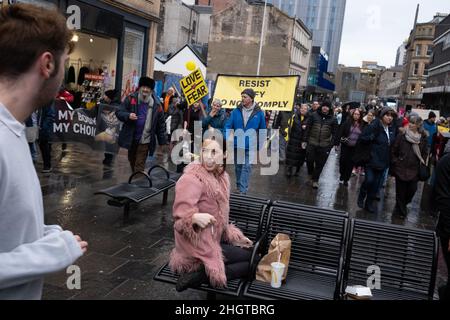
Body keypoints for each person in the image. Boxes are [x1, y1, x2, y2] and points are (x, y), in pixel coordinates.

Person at [0, 3, 87, 299]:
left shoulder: (15, 129)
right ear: (47, 64)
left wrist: (48, 235)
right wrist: (54, 251)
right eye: (64, 64)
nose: (63, 76)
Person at [169, 139, 254, 291]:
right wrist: (193, 218)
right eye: (205, 151)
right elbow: (179, 222)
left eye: (214, 152)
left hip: (211, 240)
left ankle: (202, 274)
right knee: (253, 261)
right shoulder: (191, 179)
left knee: (252, 257)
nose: (208, 156)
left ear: (224, 155)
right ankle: (202, 274)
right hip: (195, 247)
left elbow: (220, 217)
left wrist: (235, 236)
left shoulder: (222, 178)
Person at [116, 76, 167, 172]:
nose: (145, 89)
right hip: (132, 138)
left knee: (139, 165)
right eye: (143, 87)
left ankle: (137, 184)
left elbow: (161, 125)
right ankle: (135, 179)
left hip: (145, 140)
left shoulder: (157, 105)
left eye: (148, 88)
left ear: (151, 90)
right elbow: (119, 112)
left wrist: (162, 142)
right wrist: (128, 115)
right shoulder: (131, 99)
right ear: (139, 87)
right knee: (132, 160)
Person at [225, 88, 266, 194]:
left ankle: (243, 190)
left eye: (245, 97)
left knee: (247, 167)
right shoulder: (235, 111)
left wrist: (261, 147)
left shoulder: (259, 113)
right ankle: (239, 186)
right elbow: (228, 126)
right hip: (237, 144)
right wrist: (228, 138)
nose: (242, 98)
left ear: (251, 99)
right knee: (238, 167)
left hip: (251, 145)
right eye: (242, 96)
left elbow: (262, 130)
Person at [357, 107, 396, 213]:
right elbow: (362, 138)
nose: (390, 118)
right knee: (369, 180)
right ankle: (361, 195)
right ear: (382, 116)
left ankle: (368, 204)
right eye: (387, 115)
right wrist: (371, 137)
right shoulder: (374, 126)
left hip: (383, 162)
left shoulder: (392, 129)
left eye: (391, 116)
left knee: (376, 185)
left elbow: (392, 145)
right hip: (371, 160)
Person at [391, 115, 428, 218]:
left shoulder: (423, 138)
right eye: (410, 122)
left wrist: (422, 161)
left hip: (414, 169)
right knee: (400, 192)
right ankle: (401, 212)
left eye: (413, 123)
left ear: (418, 125)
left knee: (412, 190)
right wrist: (396, 161)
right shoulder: (402, 135)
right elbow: (394, 150)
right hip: (401, 168)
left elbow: (425, 152)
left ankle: (401, 205)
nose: (410, 124)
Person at [303, 100, 339, 189]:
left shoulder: (333, 119)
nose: (325, 108)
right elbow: (308, 128)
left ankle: (315, 180)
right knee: (309, 160)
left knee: (320, 164)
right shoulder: (314, 115)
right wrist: (304, 140)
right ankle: (310, 174)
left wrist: (330, 145)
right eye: (324, 106)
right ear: (321, 106)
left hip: (324, 145)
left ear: (329, 108)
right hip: (312, 142)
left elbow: (335, 134)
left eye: (327, 106)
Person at [338, 108, 364, 186]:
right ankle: (342, 175)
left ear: (360, 116)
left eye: (358, 114)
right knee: (342, 161)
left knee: (350, 164)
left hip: (355, 148)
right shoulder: (347, 122)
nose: (356, 116)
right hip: (345, 146)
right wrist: (338, 141)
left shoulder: (362, 125)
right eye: (355, 114)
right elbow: (341, 132)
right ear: (352, 115)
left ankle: (346, 179)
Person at [285, 104, 309, 177]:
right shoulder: (294, 116)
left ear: (307, 110)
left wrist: (306, 127)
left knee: (300, 156)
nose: (303, 110)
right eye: (302, 108)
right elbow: (289, 126)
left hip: (303, 140)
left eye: (305, 109)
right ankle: (289, 169)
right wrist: (287, 136)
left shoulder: (309, 118)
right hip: (293, 139)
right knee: (291, 156)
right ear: (300, 109)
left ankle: (297, 170)